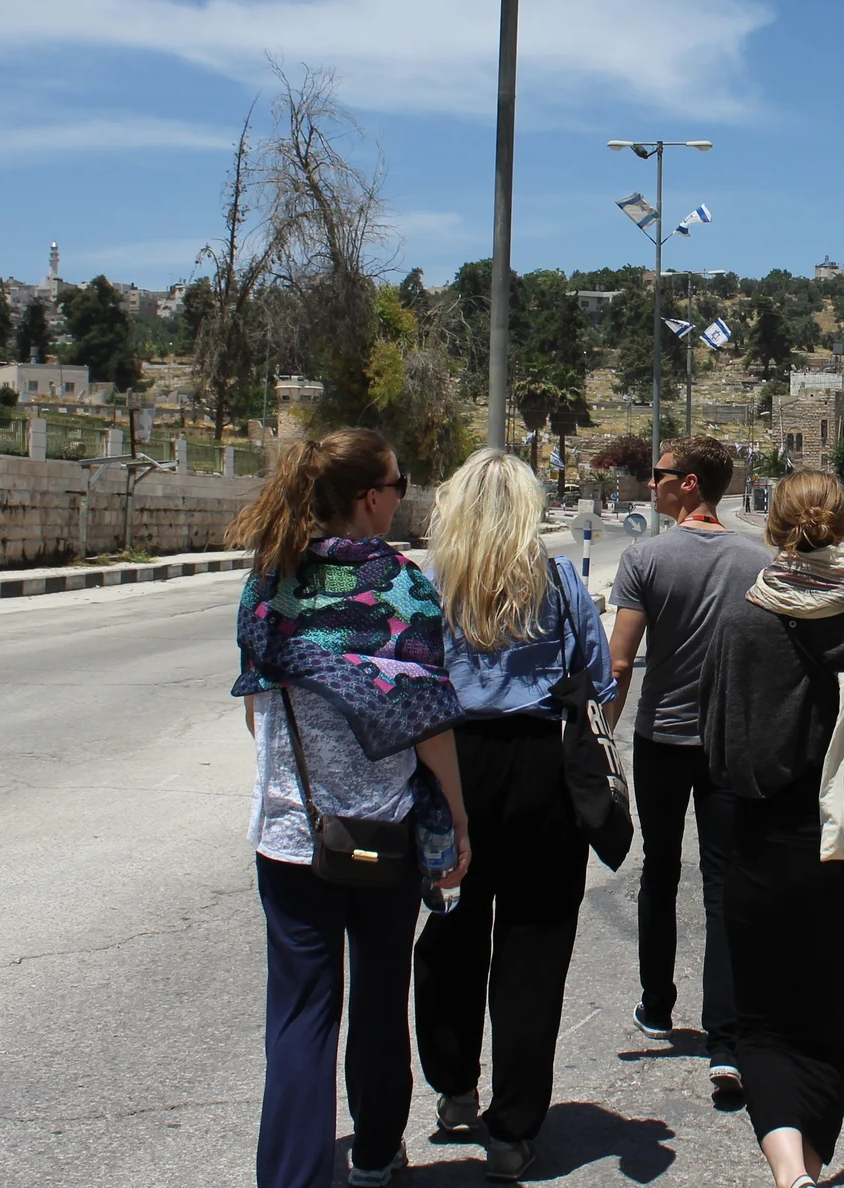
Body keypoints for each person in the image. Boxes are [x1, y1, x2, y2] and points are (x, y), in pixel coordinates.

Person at [229, 428, 473, 1188]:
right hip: (383, 832)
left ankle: (292, 1177)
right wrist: (460, 819)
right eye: (400, 483)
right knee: (377, 998)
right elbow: (428, 722)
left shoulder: (271, 578)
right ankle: (374, 1155)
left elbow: (255, 706)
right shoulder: (399, 584)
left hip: (289, 832)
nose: (403, 495)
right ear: (372, 496)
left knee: (300, 1016)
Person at [702, 470, 844, 1188]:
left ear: (773, 528)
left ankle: (791, 1171)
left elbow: (719, 743)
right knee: (827, 1017)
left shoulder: (742, 619)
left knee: (761, 1020)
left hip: (766, 841)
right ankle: (806, 1167)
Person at [413, 449, 614, 1182]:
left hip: (452, 763)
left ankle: (454, 1082)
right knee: (535, 946)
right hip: (541, 768)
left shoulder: (432, 586)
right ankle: (514, 1127)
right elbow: (601, 680)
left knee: (449, 928)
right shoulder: (560, 583)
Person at [604, 434, 768, 1098]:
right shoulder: (756, 561)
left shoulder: (644, 558)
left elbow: (620, 663)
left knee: (661, 870)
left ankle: (656, 1002)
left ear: (691, 483)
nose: (652, 483)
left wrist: (599, 739)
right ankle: (726, 1038)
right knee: (727, 880)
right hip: (729, 743)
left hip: (662, 741)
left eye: (660, 474)